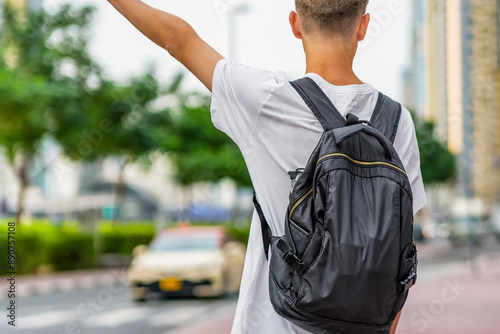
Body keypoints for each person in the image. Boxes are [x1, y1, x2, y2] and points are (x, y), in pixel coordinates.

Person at [108, 1, 427, 333]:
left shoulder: (267, 100)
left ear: (295, 24)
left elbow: (179, 40)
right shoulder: (395, 121)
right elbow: (399, 253)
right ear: (363, 26)